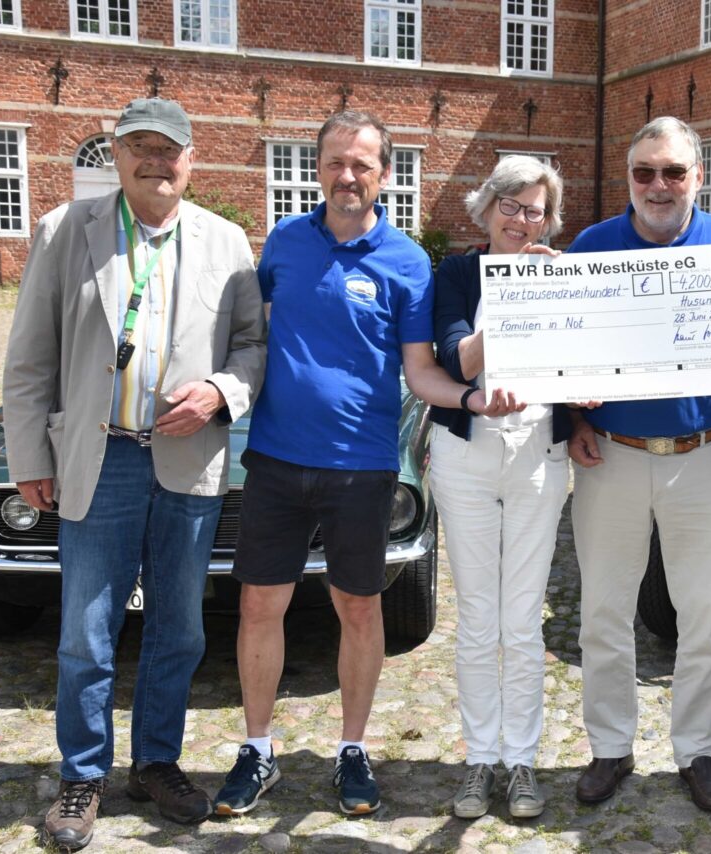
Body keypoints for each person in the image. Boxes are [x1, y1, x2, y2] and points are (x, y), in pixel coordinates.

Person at [213, 111, 518, 818]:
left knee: (358, 606)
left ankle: (353, 749)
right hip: (276, 458)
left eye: (362, 165)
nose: (347, 176)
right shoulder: (285, 243)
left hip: (362, 466)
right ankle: (257, 749)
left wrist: (470, 398)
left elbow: (420, 371)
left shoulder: (407, 261)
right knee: (260, 605)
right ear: (318, 167)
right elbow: (251, 336)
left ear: (384, 174)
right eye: (335, 162)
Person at [2, 97, 266, 851]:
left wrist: (220, 392)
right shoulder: (64, 230)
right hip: (101, 457)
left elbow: (253, 345)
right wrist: (30, 457)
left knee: (179, 627)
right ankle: (83, 775)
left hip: (187, 458)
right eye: (139, 147)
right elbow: (30, 356)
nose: (156, 161)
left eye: (169, 149)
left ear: (192, 159)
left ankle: (156, 763)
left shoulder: (225, 240)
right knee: (87, 632)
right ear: (115, 155)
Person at [565, 116, 711, 812]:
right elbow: (564, 354)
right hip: (613, 455)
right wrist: (575, 418)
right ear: (628, 177)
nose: (658, 185)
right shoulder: (591, 247)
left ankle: (698, 750)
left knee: (704, 615)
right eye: (644, 172)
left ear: (698, 176)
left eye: (673, 172)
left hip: (706, 453)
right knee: (603, 610)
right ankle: (610, 745)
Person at [428, 156, 570, 820]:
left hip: (539, 452)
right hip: (468, 454)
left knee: (523, 617)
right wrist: (517, 296)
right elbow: (457, 359)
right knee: (479, 617)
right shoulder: (457, 274)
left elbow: (586, 362)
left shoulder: (563, 274)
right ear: (484, 210)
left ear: (548, 219)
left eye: (534, 210)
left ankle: (522, 761)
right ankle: (480, 756)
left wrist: (550, 286)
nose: (520, 220)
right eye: (508, 207)